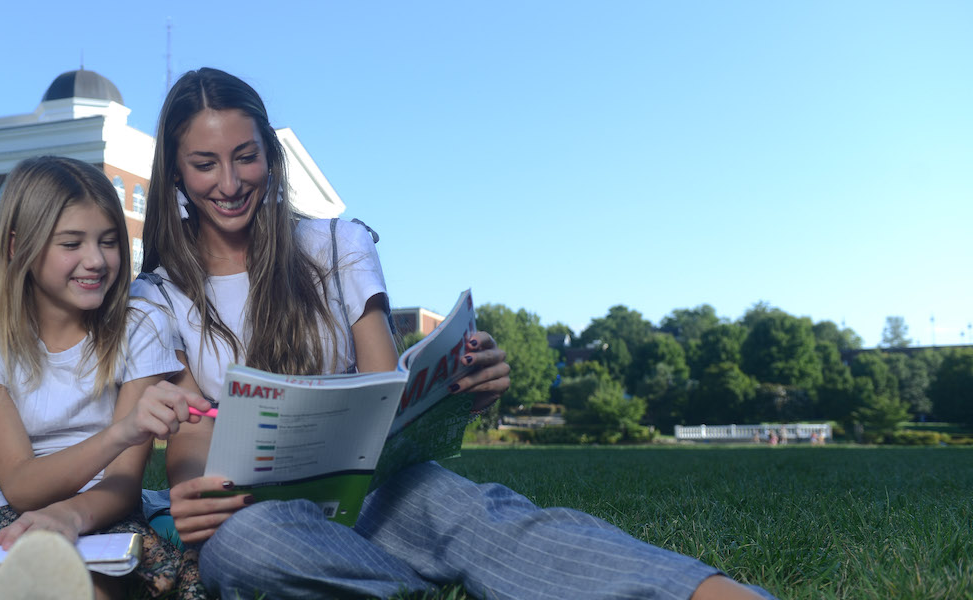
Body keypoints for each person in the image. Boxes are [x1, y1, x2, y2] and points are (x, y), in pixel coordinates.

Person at [132, 67, 774, 600]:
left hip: (377, 486)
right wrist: (196, 498)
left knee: (471, 515)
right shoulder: (161, 293)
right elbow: (192, 431)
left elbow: (385, 385)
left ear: (270, 154)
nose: (230, 181)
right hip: (258, 512)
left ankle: (707, 593)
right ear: (179, 175)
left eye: (246, 156)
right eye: (205, 164)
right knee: (247, 551)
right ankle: (418, 589)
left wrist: (461, 386)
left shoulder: (334, 245)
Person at [0, 156, 209, 600]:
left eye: (109, 242)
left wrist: (72, 516)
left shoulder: (142, 324)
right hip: (17, 514)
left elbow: (123, 485)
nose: (95, 260)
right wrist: (121, 432)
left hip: (106, 515)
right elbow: (19, 485)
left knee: (87, 589)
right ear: (19, 246)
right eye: (71, 243)